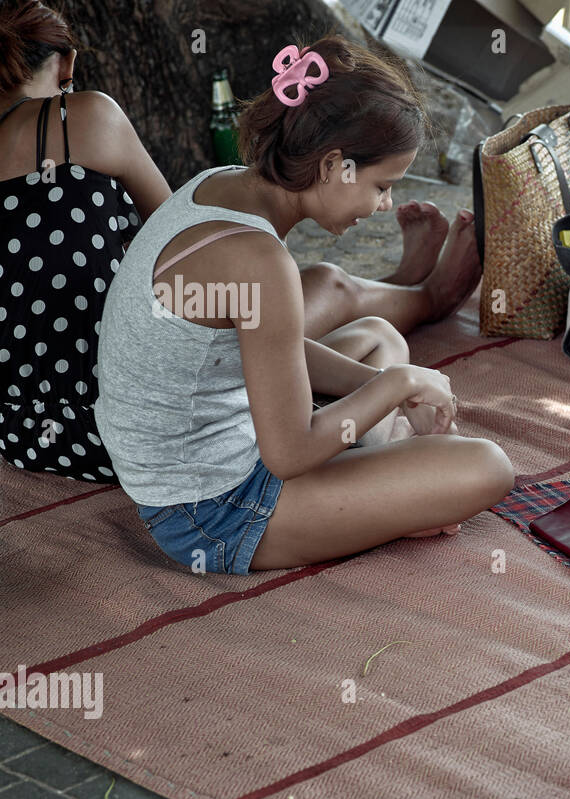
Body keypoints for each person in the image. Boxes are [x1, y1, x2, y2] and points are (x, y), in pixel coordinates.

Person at [0, 0, 478, 483]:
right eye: (380, 188)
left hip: (21, 427)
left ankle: (402, 330)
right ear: (67, 63)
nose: (385, 203)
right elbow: (184, 236)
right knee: (318, 286)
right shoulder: (80, 119)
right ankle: (426, 298)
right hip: (129, 401)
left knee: (303, 314)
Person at [93, 35, 513, 575]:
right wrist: (397, 386)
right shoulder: (259, 258)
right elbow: (287, 454)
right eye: (382, 185)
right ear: (334, 165)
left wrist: (386, 383)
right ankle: (393, 488)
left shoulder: (218, 185)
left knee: (380, 339)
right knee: (485, 467)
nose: (385, 205)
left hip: (218, 435)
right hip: (208, 511)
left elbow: (266, 346)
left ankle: (391, 477)